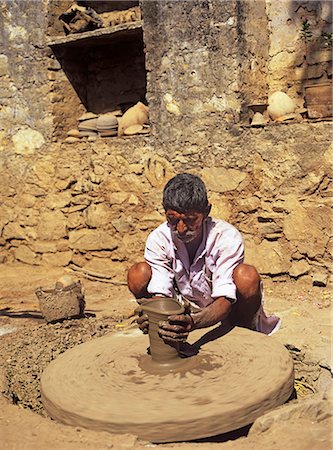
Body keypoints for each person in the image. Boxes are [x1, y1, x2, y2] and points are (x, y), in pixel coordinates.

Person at [127, 173, 280, 343]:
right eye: (172, 219)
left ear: (206, 212)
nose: (181, 228)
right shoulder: (159, 239)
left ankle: (241, 336)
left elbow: (225, 299)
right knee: (137, 274)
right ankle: (165, 337)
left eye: (190, 220)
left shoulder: (225, 237)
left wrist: (194, 322)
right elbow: (160, 292)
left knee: (247, 277)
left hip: (227, 310)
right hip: (180, 306)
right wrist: (154, 314)